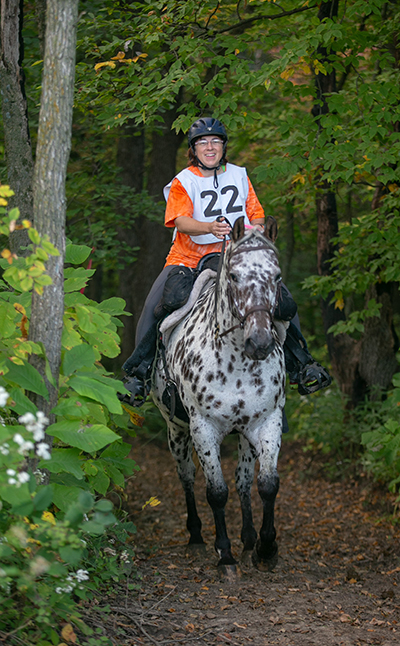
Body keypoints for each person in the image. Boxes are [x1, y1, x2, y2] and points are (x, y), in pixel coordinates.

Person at [122, 117, 331, 405]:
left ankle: (302, 365)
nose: (210, 147)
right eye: (203, 143)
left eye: (215, 142)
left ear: (223, 147)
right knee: (154, 305)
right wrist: (209, 227)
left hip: (233, 255)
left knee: (282, 298)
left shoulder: (239, 175)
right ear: (193, 150)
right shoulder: (184, 181)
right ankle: (139, 376)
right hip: (188, 257)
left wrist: (252, 229)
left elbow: (255, 213)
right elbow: (180, 222)